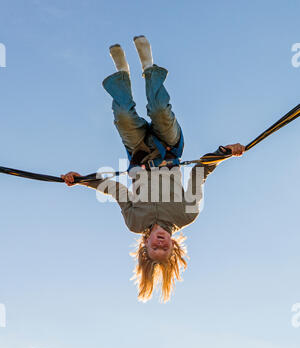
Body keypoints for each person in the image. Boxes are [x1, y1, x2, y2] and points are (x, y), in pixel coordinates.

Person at [61, 36, 245, 303]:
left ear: (144, 247)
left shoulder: (134, 222)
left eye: (154, 248)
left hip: (138, 152)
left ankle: (122, 74)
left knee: (123, 115)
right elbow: (199, 172)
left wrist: (81, 180)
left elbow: (113, 189)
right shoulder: (187, 214)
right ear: (174, 246)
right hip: (170, 147)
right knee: (160, 110)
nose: (160, 243)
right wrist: (225, 152)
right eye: (165, 248)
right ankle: (148, 66)